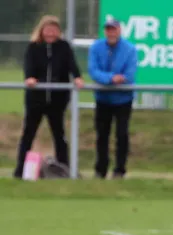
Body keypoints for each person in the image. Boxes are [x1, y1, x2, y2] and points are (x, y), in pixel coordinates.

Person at [14, 15, 83, 179]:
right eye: (47, 29)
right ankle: (20, 170)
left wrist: (77, 77)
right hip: (36, 100)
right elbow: (28, 66)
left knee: (59, 135)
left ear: (58, 31)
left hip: (57, 100)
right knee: (28, 134)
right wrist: (30, 77)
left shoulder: (64, 47)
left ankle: (65, 169)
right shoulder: (34, 47)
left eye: (54, 29)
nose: (51, 33)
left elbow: (71, 64)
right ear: (42, 30)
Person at [88, 19, 137, 179]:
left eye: (114, 29)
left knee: (122, 135)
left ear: (119, 30)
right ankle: (100, 170)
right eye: (108, 29)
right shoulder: (96, 47)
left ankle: (119, 170)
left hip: (123, 99)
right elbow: (93, 71)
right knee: (102, 135)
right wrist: (111, 78)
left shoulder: (130, 49)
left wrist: (118, 79)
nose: (111, 32)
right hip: (102, 99)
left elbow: (130, 74)